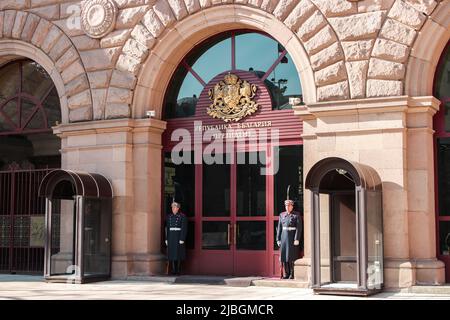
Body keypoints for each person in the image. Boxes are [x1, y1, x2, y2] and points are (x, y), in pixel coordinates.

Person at [277, 197, 302, 279]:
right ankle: (286, 273)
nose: (287, 207)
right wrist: (278, 239)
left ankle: (292, 273)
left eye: (289, 205)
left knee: (291, 256)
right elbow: (279, 228)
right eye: (286, 206)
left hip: (292, 238)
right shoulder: (282, 215)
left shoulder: (296, 215)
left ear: (292, 206)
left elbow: (299, 228)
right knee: (284, 257)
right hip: (284, 237)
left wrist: (296, 239)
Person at [165, 200, 188, 275]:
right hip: (171, 236)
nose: (173, 208)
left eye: (174, 207)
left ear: (178, 208)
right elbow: (167, 228)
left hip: (178, 236)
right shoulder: (169, 217)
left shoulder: (182, 216)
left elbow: (184, 228)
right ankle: (173, 270)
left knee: (178, 254)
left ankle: (178, 270)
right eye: (172, 207)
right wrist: (166, 238)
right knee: (172, 254)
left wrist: (182, 238)